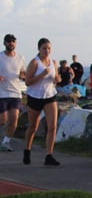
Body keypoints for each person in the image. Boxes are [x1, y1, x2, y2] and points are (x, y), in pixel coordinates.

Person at [23, 38, 60, 166]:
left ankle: (49, 155)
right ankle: (27, 149)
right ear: (39, 49)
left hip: (50, 96)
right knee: (33, 126)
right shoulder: (34, 63)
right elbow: (27, 81)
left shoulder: (53, 62)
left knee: (52, 126)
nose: (47, 51)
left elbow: (56, 78)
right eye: (44, 48)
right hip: (35, 96)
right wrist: (42, 74)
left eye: (49, 48)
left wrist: (57, 79)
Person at [0, 34, 26, 152]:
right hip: (2, 93)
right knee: (3, 120)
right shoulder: (0, 57)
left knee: (14, 120)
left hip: (16, 93)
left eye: (13, 41)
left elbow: (22, 72)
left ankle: (6, 142)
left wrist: (23, 76)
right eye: (9, 41)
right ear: (4, 43)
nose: (11, 43)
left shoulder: (20, 57)